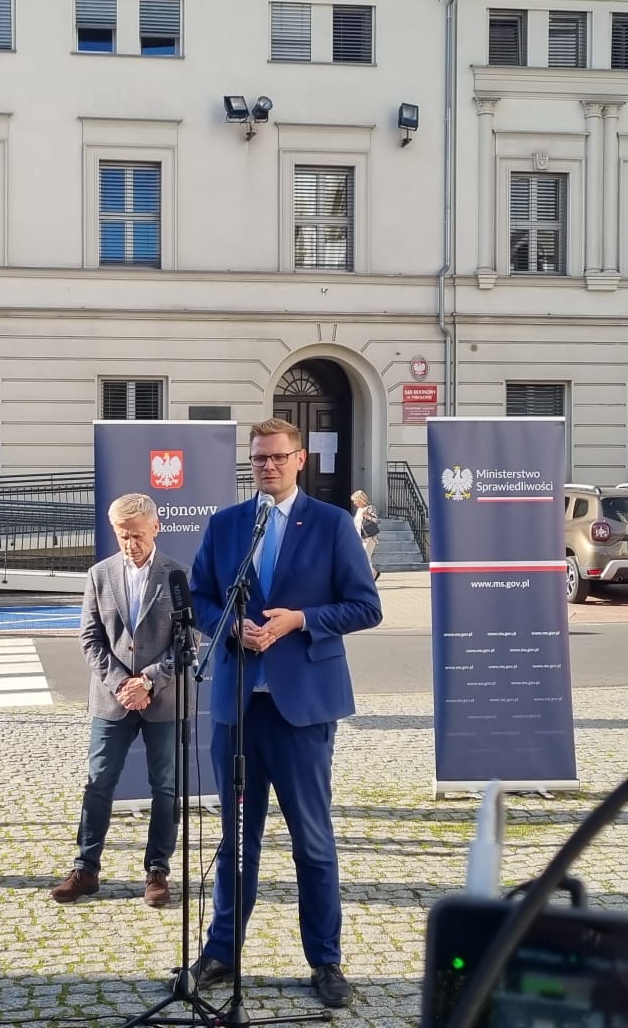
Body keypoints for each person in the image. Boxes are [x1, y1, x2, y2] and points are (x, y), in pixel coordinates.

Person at [183, 417, 382, 1009]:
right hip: (239, 707)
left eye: (277, 457)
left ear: (300, 460)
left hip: (303, 710)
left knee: (312, 843)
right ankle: (222, 952)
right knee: (235, 842)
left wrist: (302, 620)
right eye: (258, 459)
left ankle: (325, 960)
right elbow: (199, 597)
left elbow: (365, 606)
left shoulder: (331, 523)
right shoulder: (227, 526)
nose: (267, 466)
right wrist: (230, 626)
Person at [52, 493, 187, 907]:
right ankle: (85, 868)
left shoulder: (177, 576)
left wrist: (148, 681)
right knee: (98, 783)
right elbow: (90, 639)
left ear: (156, 528)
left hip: (162, 700)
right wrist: (121, 684)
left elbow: (188, 641)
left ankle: (157, 870)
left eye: (138, 535)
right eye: (123, 536)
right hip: (112, 701)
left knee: (166, 787)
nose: (130, 544)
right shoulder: (99, 575)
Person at [350, 489, 382, 582]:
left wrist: (367, 516)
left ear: (360, 499)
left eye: (355, 501)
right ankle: (373, 574)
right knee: (363, 558)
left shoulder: (370, 508)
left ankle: (370, 576)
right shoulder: (359, 510)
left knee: (365, 557)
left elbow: (377, 521)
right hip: (360, 538)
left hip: (369, 538)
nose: (354, 503)